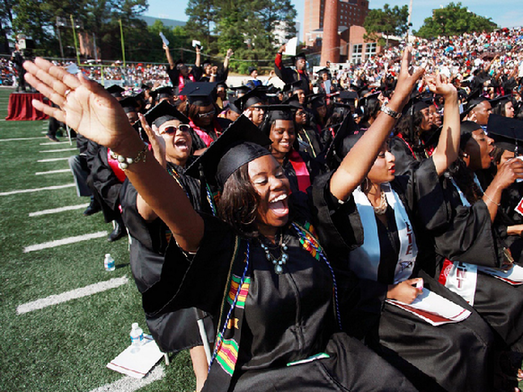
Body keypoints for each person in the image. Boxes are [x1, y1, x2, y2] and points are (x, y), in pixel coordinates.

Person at [24, 50, 421, 392]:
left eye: (279, 174)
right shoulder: (226, 248)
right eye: (261, 179)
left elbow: (349, 172)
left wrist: (397, 100)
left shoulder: (304, 229)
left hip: (336, 360)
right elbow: (172, 209)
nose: (279, 183)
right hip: (266, 379)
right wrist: (127, 145)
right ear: (239, 194)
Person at [320, 72, 497, 391]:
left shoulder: (400, 190)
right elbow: (338, 282)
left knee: (477, 331)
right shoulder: (341, 210)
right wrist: (386, 293)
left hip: (410, 287)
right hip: (370, 307)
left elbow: (445, 156)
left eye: (390, 150)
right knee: (450, 348)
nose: (391, 159)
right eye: (380, 154)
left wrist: (451, 99)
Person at [120, 101, 213, 392]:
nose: (179, 133)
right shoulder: (144, 173)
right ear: (155, 139)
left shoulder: (194, 172)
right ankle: (205, 379)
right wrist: (157, 159)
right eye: (169, 130)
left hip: (197, 256)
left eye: (183, 128)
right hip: (161, 268)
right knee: (196, 304)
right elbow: (146, 213)